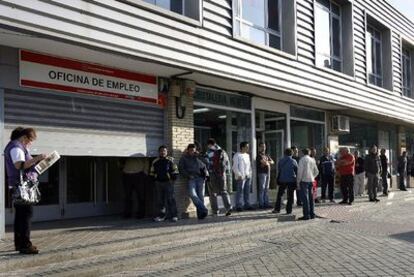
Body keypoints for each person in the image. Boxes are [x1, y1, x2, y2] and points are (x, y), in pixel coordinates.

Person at [4, 127, 46, 254]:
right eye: (30, 140)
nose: (30, 143)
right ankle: (25, 245)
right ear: (24, 137)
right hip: (21, 187)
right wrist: (37, 158)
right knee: (26, 215)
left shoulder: (18, 147)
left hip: (18, 186)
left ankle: (20, 244)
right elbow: (19, 165)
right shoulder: (16, 147)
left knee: (21, 216)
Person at [179, 143, 209, 219]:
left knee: (201, 196)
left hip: (200, 178)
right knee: (192, 194)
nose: (192, 151)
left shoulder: (198, 157)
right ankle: (204, 209)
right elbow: (181, 169)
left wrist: (199, 156)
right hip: (191, 178)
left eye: (194, 150)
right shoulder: (184, 158)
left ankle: (201, 215)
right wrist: (188, 175)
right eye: (191, 150)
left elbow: (206, 163)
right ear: (188, 150)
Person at [151, 145, 179, 222]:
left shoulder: (171, 160)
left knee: (171, 199)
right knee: (160, 200)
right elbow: (152, 172)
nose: (163, 152)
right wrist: (154, 179)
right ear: (159, 152)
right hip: (158, 183)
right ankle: (161, 216)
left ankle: (174, 215)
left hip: (168, 183)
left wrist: (173, 179)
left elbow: (175, 170)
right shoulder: (155, 161)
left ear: (167, 152)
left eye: (164, 151)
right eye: (161, 151)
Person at [206, 138, 232, 216]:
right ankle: (228, 208)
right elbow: (227, 164)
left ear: (209, 144)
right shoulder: (223, 151)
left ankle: (215, 211)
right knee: (224, 191)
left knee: (213, 193)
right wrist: (227, 173)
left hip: (212, 174)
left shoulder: (209, 152)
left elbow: (207, 164)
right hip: (222, 174)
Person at [273, 148, 298, 214]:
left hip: (282, 180)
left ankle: (277, 209)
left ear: (284, 153)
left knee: (280, 195)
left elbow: (279, 169)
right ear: (292, 153)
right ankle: (289, 210)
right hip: (291, 180)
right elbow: (296, 171)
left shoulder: (281, 161)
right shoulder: (294, 161)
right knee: (290, 195)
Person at [297, 148, 319, 220]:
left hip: (304, 181)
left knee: (305, 199)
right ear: (309, 153)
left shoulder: (302, 160)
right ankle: (312, 214)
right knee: (311, 198)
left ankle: (306, 215)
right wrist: (312, 177)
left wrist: (298, 181)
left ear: (303, 153)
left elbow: (300, 172)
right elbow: (317, 171)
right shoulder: (312, 160)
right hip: (311, 181)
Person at [232, 141, 253, 212]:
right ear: (242, 147)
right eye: (247, 147)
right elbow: (234, 167)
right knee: (239, 191)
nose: (248, 148)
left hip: (247, 176)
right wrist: (239, 175)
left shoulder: (247, 155)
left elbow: (249, 166)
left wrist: (250, 174)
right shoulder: (237, 155)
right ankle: (238, 205)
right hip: (241, 177)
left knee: (247, 191)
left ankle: (247, 204)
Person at [256, 142, 274, 209]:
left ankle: (266, 203)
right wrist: (267, 162)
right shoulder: (259, 155)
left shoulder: (266, 155)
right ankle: (261, 204)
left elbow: (272, 162)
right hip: (262, 173)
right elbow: (263, 162)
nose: (264, 148)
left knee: (266, 188)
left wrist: (267, 162)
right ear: (259, 147)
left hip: (268, 173)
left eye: (264, 146)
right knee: (262, 188)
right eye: (262, 146)